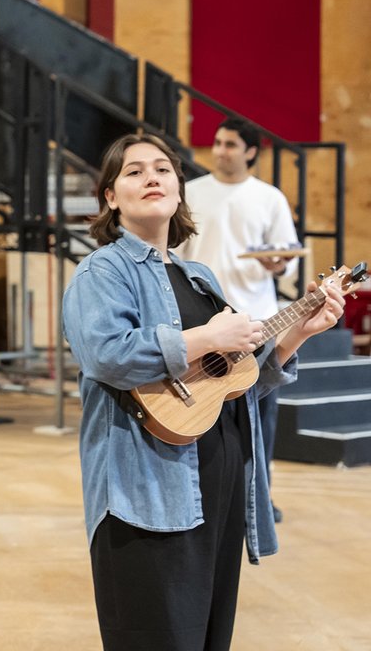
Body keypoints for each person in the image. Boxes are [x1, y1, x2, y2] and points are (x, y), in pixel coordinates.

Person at [62, 134, 344, 651]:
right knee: (154, 636)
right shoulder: (101, 272)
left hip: (219, 480)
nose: (152, 178)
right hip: (145, 491)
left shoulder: (199, 277)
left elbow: (234, 381)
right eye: (135, 171)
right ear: (109, 196)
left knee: (208, 637)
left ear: (179, 189)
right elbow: (106, 354)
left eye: (164, 170)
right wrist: (208, 336)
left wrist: (300, 329)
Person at [177, 117, 301, 523]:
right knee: (194, 410)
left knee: (260, 415)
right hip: (203, 321)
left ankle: (258, 498)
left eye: (230, 144)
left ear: (250, 151)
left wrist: (278, 263)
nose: (219, 150)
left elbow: (286, 259)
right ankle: (201, 495)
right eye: (216, 142)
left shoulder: (269, 198)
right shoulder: (191, 193)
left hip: (257, 321)